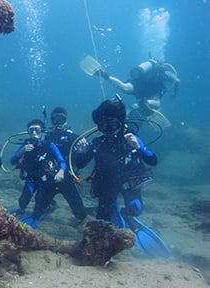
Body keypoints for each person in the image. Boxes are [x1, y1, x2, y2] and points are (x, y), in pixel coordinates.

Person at [75, 98, 157, 226]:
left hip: (129, 181)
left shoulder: (130, 138)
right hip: (106, 183)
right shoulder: (98, 142)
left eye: (112, 125)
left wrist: (139, 149)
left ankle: (125, 215)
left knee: (135, 208)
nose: (108, 129)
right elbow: (80, 164)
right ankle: (115, 211)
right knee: (103, 221)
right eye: (103, 126)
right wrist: (80, 152)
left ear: (120, 122)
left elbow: (153, 160)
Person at [10, 119, 66, 227]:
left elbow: (61, 160)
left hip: (45, 179)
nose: (34, 133)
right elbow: (12, 161)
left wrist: (61, 171)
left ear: (42, 131)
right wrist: (22, 151)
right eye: (31, 130)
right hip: (31, 177)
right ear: (28, 131)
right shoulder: (25, 145)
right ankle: (21, 210)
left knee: (39, 200)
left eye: (37, 130)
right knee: (23, 199)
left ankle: (42, 211)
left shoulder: (49, 144)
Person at [96, 59, 179, 127]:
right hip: (152, 90)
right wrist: (174, 93)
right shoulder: (165, 71)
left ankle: (105, 75)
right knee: (157, 103)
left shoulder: (153, 68)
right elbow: (177, 81)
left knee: (125, 87)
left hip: (140, 84)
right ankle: (143, 103)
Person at [42, 107, 88, 221]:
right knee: (40, 207)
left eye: (61, 119)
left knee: (80, 215)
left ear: (66, 121)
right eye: (55, 119)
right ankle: (51, 204)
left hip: (67, 179)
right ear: (51, 120)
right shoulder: (45, 137)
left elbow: (81, 162)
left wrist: (82, 151)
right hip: (49, 178)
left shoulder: (73, 138)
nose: (58, 122)